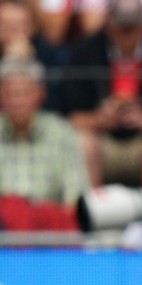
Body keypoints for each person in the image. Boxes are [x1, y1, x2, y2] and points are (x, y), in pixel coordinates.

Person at [62, 0, 142, 192]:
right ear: (108, 24)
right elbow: (72, 118)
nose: (127, 33)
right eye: (122, 27)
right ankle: (89, 209)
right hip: (101, 142)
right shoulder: (84, 52)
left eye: (132, 27)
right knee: (81, 142)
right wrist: (100, 118)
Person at [0, 56, 88, 231]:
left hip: (49, 230)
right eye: (10, 93)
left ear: (40, 94)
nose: (17, 101)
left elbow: (75, 197)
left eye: (25, 93)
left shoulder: (61, 132)